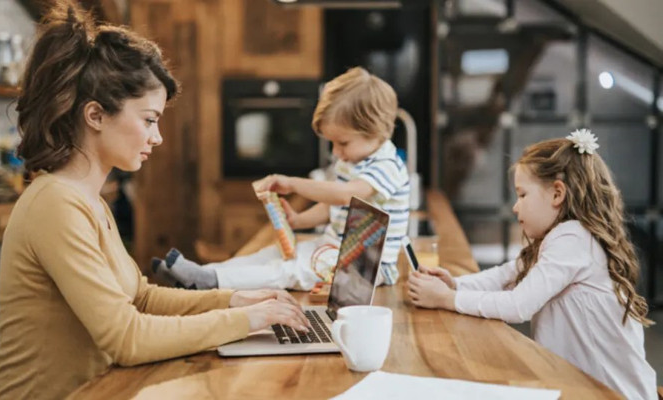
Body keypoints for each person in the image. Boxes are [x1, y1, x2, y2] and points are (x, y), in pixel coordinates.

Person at [0, 3, 311, 399]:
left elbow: (139, 297)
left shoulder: (85, 198)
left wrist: (234, 300)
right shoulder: (54, 205)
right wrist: (248, 319)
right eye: (148, 119)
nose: (157, 137)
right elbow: (126, 337)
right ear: (95, 115)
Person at [407, 130, 657, 399]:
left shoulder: (572, 237)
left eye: (522, 195)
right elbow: (507, 274)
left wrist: (448, 299)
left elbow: (518, 305)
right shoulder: (558, 238)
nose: (515, 207)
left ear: (557, 194)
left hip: (611, 394)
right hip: (579, 388)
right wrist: (454, 284)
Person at [158, 67, 410, 291]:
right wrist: (300, 220)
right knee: (271, 255)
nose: (335, 152)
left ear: (376, 131)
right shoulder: (350, 160)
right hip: (333, 249)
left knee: (288, 272)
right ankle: (208, 274)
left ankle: (212, 281)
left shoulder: (386, 166)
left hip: (366, 269)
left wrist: (293, 183)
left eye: (342, 142)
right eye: (331, 143)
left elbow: (345, 195)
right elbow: (336, 206)